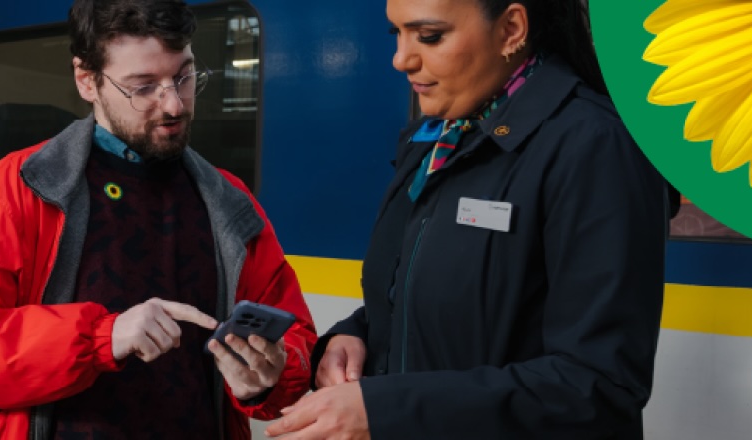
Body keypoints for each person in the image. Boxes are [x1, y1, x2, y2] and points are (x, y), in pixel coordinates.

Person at [265, 0, 675, 438]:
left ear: (511, 29)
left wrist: (387, 411)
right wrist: (353, 337)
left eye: (429, 36)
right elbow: (423, 296)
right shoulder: (437, 140)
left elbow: (598, 387)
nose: (401, 58)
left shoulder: (594, 146)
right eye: (395, 34)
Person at [0, 0, 317, 439]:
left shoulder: (230, 203)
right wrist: (100, 339)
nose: (175, 105)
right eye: (143, 87)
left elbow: (294, 339)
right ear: (87, 80)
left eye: (184, 76)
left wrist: (267, 380)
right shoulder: (13, 193)